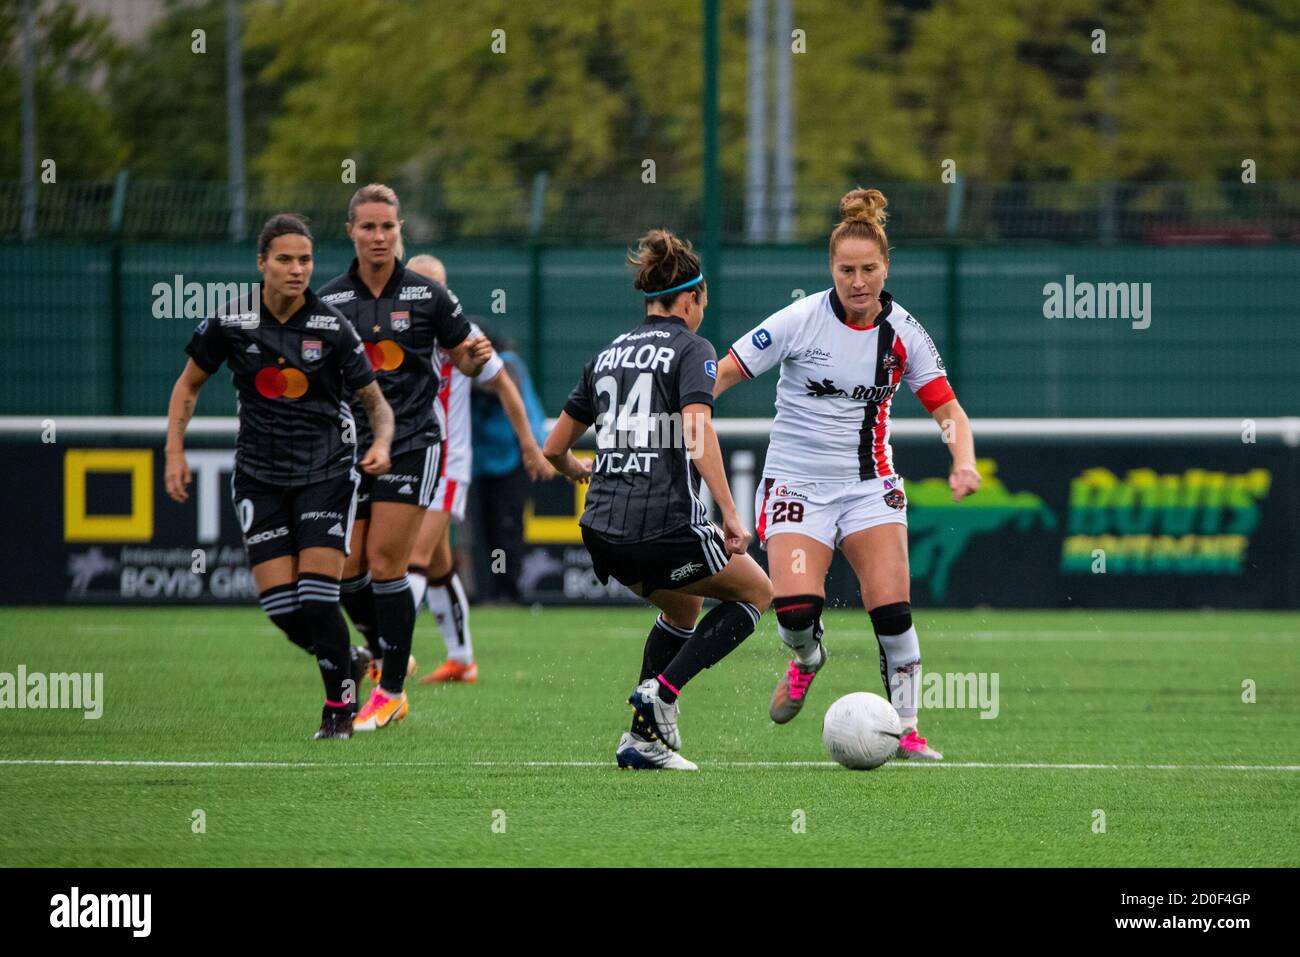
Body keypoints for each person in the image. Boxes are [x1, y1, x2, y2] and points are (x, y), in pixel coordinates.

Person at [713, 187, 982, 760]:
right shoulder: (800, 319)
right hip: (795, 486)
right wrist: (683, 404)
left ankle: (907, 730)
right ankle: (808, 657)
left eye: (868, 270)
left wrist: (964, 460)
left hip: (869, 488)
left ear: (886, 268)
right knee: (794, 612)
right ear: (830, 270)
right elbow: (727, 370)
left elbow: (948, 410)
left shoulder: (905, 334)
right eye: (845, 271)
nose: (858, 282)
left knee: (891, 609)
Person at [543, 229, 773, 771]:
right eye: (703, 302)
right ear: (691, 298)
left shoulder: (607, 354)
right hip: (662, 527)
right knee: (758, 593)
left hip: (601, 531)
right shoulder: (694, 349)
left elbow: (553, 448)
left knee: (683, 604)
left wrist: (578, 469)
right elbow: (697, 431)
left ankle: (641, 741)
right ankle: (662, 694)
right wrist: (731, 514)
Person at [164, 213, 395, 740]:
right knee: (284, 610)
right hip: (259, 477)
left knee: (317, 598)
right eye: (285, 259)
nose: (297, 270)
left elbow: (375, 404)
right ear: (262, 263)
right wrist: (174, 450)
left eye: (306, 260)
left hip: (326, 472)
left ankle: (338, 709)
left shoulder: (333, 327)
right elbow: (187, 387)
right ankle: (351, 658)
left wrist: (381, 443)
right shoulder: (230, 323)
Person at [318, 185, 492, 731]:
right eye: (368, 227)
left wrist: (471, 358)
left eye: (387, 227)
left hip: (415, 441)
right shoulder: (329, 301)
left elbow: (465, 361)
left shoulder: (429, 296)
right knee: (347, 571)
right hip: (352, 447)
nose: (378, 236)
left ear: (400, 230)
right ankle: (384, 650)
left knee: (390, 563)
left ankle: (390, 690)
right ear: (351, 231)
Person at [402, 254, 552, 684]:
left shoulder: (462, 334)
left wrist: (529, 445)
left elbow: (505, 382)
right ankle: (462, 658)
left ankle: (385, 656)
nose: (427, 296)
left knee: (411, 559)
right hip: (408, 459)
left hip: (449, 463)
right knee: (436, 564)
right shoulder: (393, 329)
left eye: (436, 288)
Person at [467, 329, 550, 604]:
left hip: (515, 458)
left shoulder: (506, 362)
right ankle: (487, 592)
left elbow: (500, 386)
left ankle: (511, 591)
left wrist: (465, 374)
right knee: (484, 531)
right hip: (480, 462)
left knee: (508, 527)